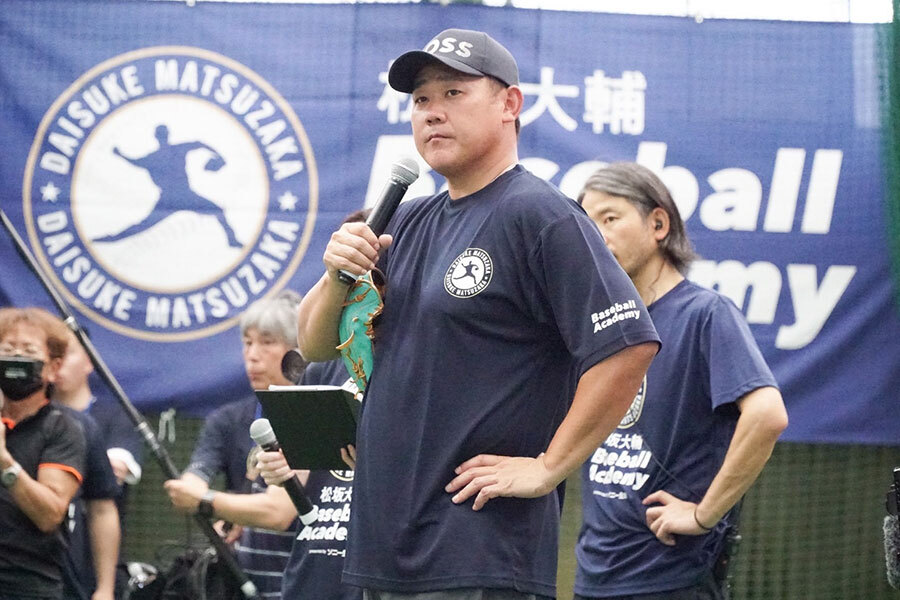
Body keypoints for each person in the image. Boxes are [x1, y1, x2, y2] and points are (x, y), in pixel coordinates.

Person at [297, 28, 660, 599]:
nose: (432, 112)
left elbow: (628, 346)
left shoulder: (540, 214)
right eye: (421, 99)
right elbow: (315, 345)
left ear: (509, 104)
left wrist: (547, 467)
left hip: (479, 552)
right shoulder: (405, 221)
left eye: (453, 93)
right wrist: (334, 275)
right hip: (384, 549)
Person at [574, 162, 789, 599]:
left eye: (610, 218)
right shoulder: (601, 324)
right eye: (587, 223)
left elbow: (767, 416)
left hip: (671, 577)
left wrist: (703, 515)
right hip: (593, 576)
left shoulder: (706, 314)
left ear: (658, 224)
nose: (596, 235)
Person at [163, 291, 304, 599]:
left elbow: (278, 513)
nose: (253, 355)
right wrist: (196, 493)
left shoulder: (313, 415)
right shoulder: (228, 420)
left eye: (267, 342)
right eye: (247, 342)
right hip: (245, 581)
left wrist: (207, 500)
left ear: (298, 350)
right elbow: (194, 478)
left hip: (305, 579)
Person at [0, 307, 87, 599]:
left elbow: (50, 515)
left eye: (28, 350)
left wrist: (5, 463)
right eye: (7, 350)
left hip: (26, 583)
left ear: (53, 367)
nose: (16, 358)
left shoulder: (62, 429)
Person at [257, 358, 362, 600]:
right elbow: (297, 465)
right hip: (314, 566)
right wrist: (279, 466)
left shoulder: (419, 362)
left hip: (379, 568)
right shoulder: (322, 369)